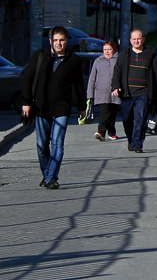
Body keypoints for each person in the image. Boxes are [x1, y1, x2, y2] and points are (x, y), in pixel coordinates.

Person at [19, 25, 86, 189]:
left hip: (62, 108)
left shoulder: (73, 60)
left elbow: (78, 84)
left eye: (62, 40)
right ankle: (47, 174)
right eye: (55, 40)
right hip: (41, 107)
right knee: (42, 145)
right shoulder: (40, 56)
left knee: (57, 143)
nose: (58, 43)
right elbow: (27, 78)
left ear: (67, 40)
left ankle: (51, 178)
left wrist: (82, 106)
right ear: (50, 41)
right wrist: (26, 102)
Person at [113, 29, 157, 153]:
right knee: (126, 119)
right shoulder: (124, 55)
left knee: (140, 119)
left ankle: (137, 144)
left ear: (143, 39)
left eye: (139, 38)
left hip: (144, 93)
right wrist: (115, 86)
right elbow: (117, 71)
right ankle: (131, 139)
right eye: (134, 39)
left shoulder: (151, 55)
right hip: (127, 93)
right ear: (130, 40)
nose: (136, 41)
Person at [86, 40, 121, 142]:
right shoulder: (98, 61)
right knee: (105, 112)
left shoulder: (119, 60)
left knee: (112, 113)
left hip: (115, 92)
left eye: (109, 49)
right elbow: (92, 78)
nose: (107, 52)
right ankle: (101, 132)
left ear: (114, 49)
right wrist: (90, 94)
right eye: (105, 50)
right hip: (101, 92)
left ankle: (112, 132)